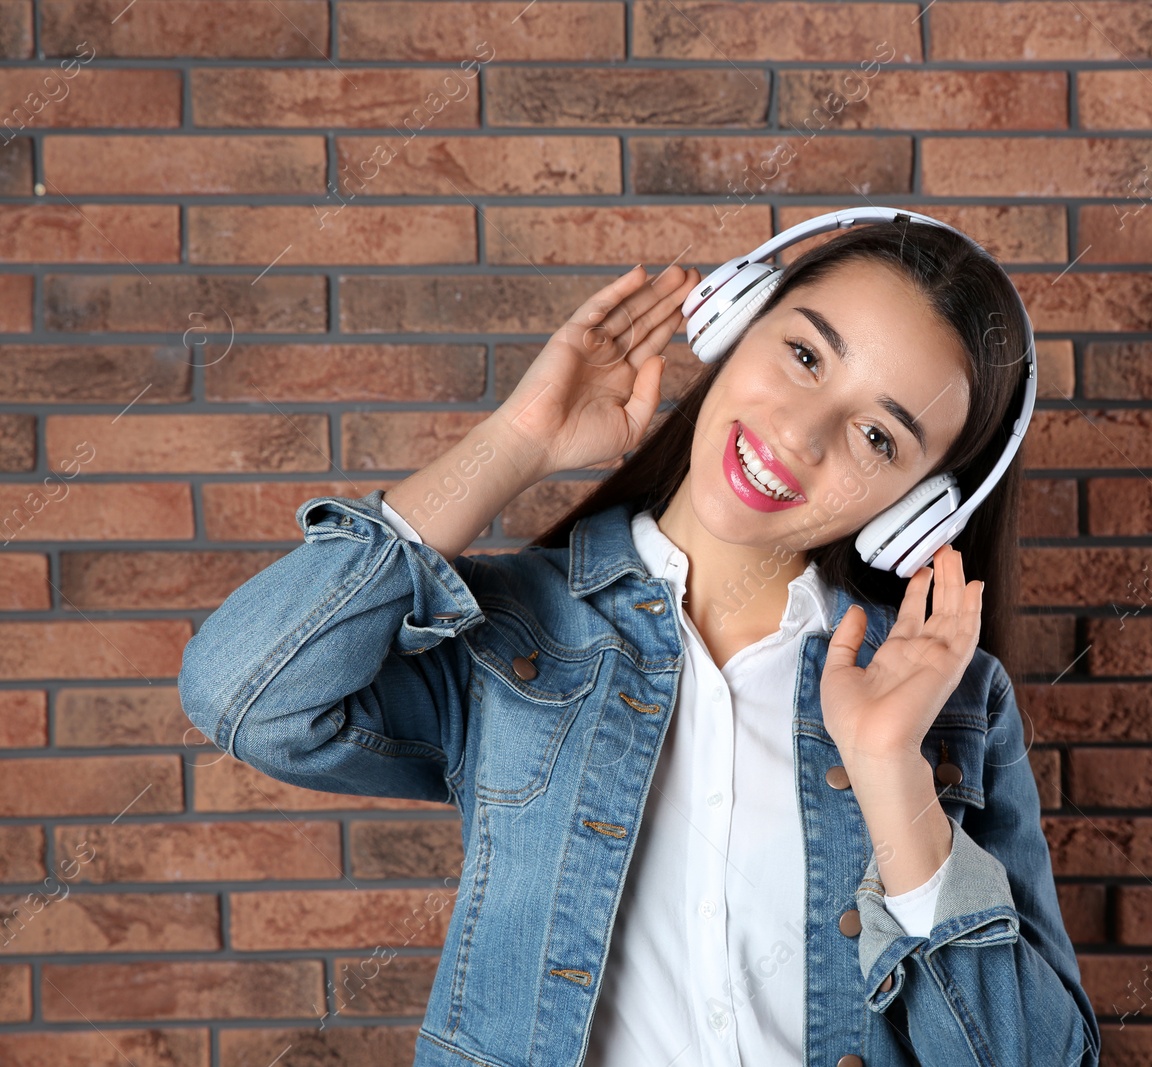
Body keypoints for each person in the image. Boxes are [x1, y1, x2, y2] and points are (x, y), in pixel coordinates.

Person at [178, 213, 1101, 1067]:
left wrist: (892, 768)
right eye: (806, 355)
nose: (799, 432)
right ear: (735, 323)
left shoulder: (950, 703)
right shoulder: (515, 637)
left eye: (876, 435)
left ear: (920, 509)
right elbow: (248, 699)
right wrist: (517, 441)